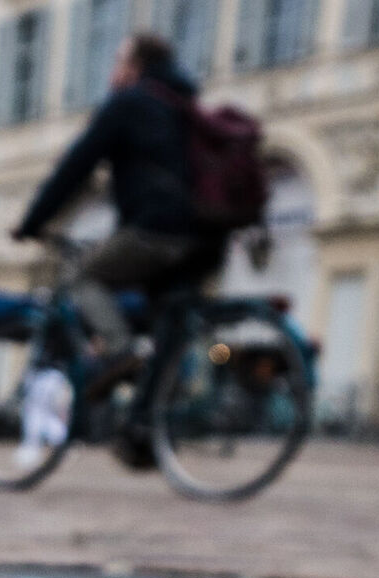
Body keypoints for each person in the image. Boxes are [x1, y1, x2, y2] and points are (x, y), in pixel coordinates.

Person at [12, 32, 224, 381]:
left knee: (82, 275)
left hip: (157, 229)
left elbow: (75, 168)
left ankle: (120, 349)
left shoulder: (129, 103)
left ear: (134, 67)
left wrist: (32, 222)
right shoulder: (185, 106)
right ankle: (151, 420)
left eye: (119, 62)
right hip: (204, 235)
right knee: (164, 318)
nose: (113, 71)